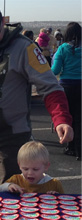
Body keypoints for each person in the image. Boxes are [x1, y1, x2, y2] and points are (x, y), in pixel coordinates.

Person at [0, 2, 73, 191]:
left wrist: (61, 120)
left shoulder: (25, 48)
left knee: (12, 198)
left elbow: (50, 87)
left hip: (10, 140)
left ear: (3, 22)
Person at [51, 22, 81, 161]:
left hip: (66, 86)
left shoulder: (62, 49)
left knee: (68, 118)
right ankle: (79, 149)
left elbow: (55, 70)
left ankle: (70, 146)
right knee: (79, 118)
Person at [0, 141, 64, 194]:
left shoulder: (54, 184)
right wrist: (8, 186)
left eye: (35, 169)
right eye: (25, 169)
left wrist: (57, 197)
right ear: (19, 165)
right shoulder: (16, 180)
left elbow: (65, 202)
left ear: (46, 166)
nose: (30, 173)